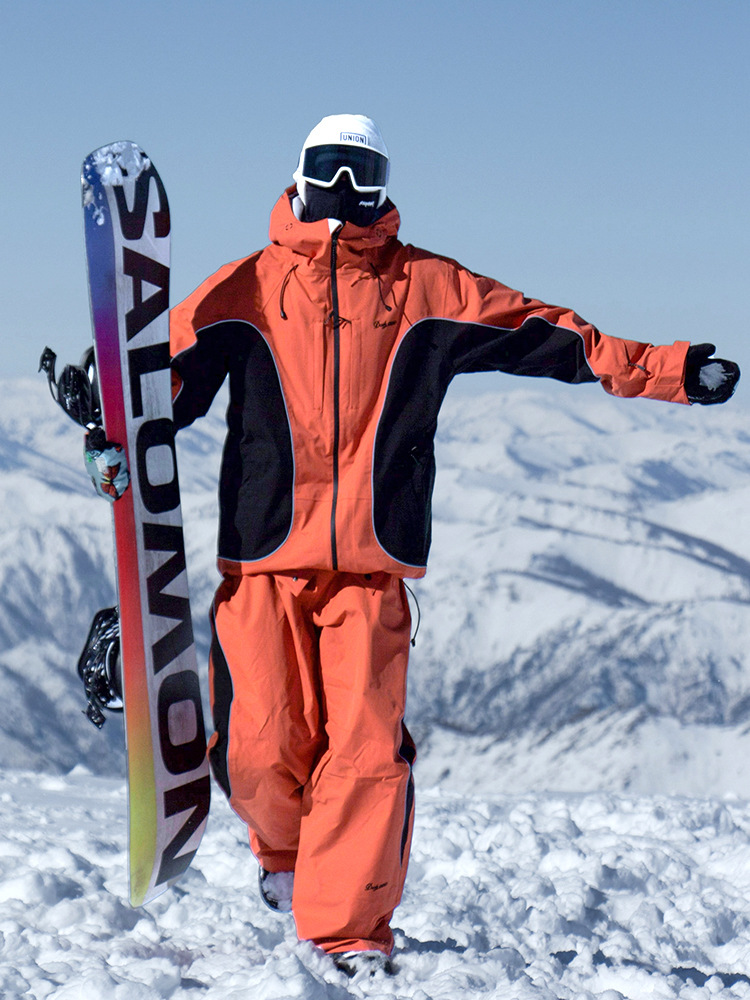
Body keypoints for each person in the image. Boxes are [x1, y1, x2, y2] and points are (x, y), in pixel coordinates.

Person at [88, 114, 739, 976]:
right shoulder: (244, 289)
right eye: (331, 169)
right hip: (263, 559)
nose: (346, 191)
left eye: (364, 174)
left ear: (387, 186)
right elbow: (163, 384)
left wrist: (670, 370)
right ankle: (286, 857)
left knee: (364, 752)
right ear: (299, 176)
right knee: (258, 748)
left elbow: (556, 336)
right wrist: (106, 416)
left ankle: (348, 933)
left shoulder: (428, 289)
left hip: (371, 567)